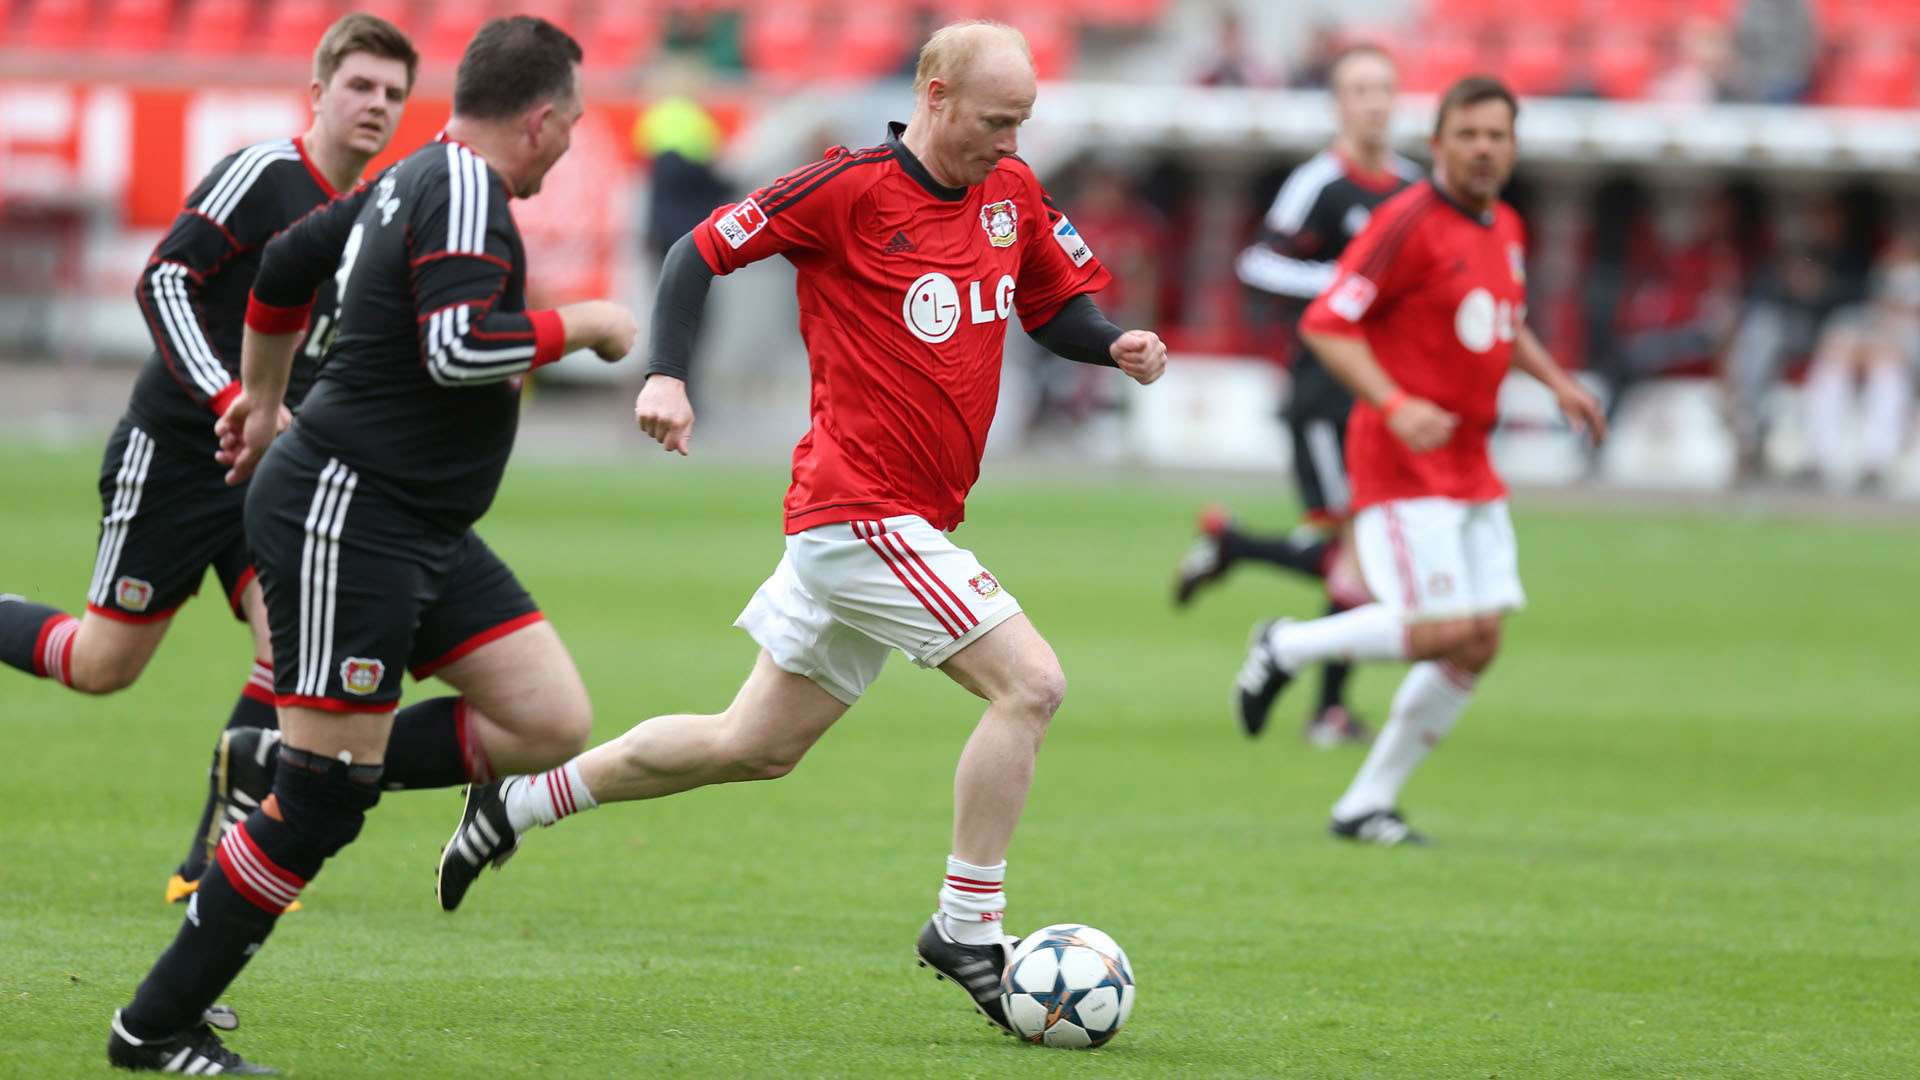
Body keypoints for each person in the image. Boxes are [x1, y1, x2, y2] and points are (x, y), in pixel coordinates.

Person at [432, 19, 1167, 1037]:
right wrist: (668, 374)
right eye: (997, 120)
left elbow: (1052, 310)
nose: (1011, 140)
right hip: (859, 512)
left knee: (753, 745)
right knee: (1031, 684)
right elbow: (697, 251)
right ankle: (968, 925)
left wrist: (1113, 342)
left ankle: (515, 806)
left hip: (903, 523)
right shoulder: (847, 187)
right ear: (937, 95)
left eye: (1025, 122)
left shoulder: (1014, 194)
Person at [104, 17, 638, 1073]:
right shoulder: (465, 188)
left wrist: (259, 403)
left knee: (546, 719)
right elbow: (457, 347)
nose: (572, 141)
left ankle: (277, 756)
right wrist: (584, 325)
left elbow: (288, 266)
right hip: (351, 512)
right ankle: (153, 1027)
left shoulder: (415, 173)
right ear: (537, 120)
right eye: (570, 123)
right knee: (320, 807)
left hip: (413, 523)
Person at [0, 14, 417, 906]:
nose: (375, 105)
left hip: (263, 474)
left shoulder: (367, 214)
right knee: (101, 665)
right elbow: (163, 278)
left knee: (290, 647)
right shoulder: (265, 175)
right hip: (178, 456)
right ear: (318, 93)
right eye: (360, 86)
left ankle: (210, 866)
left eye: (392, 94)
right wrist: (231, 398)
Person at [1235, 76, 1606, 846]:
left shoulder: (1505, 224)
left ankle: (1365, 803)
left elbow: (1506, 320)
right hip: (1404, 460)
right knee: (1439, 628)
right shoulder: (1407, 222)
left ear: (1513, 146)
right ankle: (1285, 645)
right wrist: (1396, 403)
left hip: (1470, 459)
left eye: (1496, 135)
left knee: (1479, 641)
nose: (1482, 149)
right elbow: (1327, 322)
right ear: (1437, 144)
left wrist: (1557, 381)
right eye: (1467, 135)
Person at [1174, 44, 1419, 748]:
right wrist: (1341, 285)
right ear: (1339, 104)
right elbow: (1258, 261)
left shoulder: (1410, 190)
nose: (1373, 102)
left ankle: (1235, 547)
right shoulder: (1318, 183)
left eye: (1383, 88)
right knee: (1359, 555)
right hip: (1323, 393)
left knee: (1361, 555)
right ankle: (1327, 709)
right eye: (1359, 90)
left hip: (1383, 390)